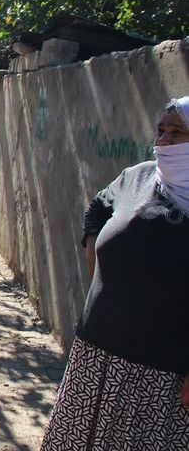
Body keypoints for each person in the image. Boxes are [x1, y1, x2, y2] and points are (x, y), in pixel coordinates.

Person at [40, 97, 189, 450]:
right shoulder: (138, 178)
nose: (163, 142)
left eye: (177, 133)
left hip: (160, 372)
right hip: (97, 353)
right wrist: (98, 265)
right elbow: (98, 207)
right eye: (161, 131)